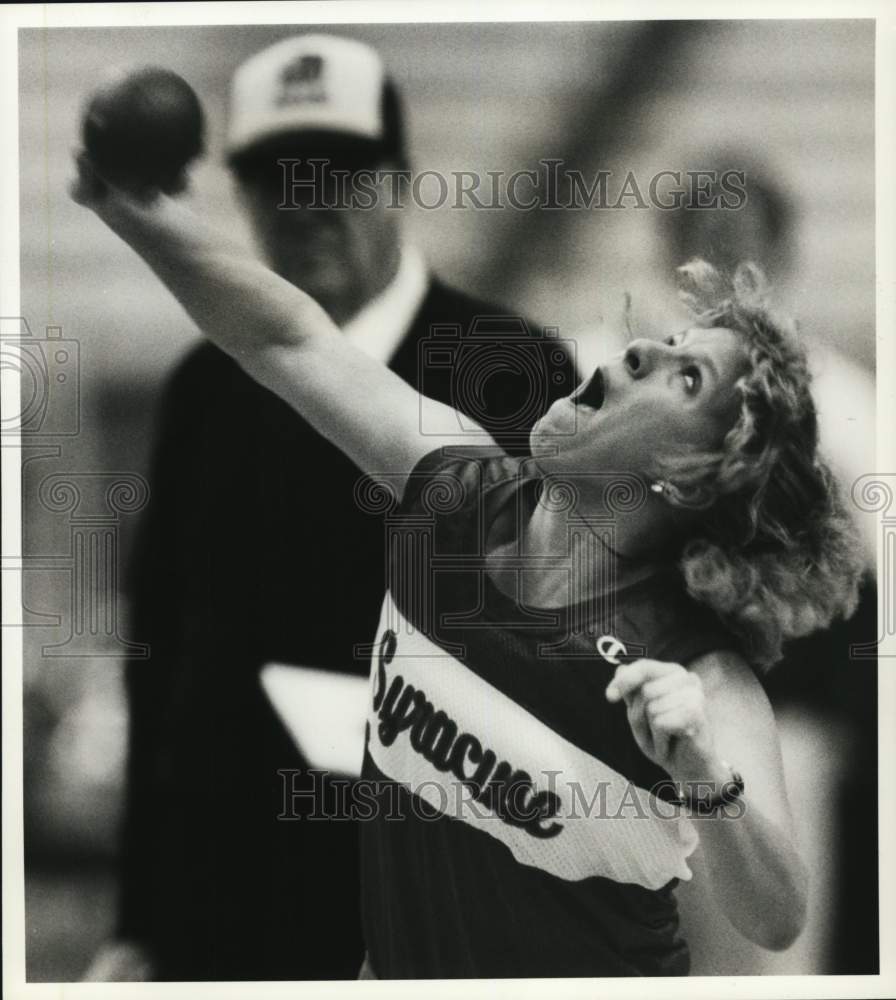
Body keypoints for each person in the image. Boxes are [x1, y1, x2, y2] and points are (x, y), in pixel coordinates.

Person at [72, 138, 864, 977]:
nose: (643, 351)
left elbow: (777, 916)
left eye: (687, 379)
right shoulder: (457, 490)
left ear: (693, 477)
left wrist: (704, 774)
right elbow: (287, 338)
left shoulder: (695, 675)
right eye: (670, 341)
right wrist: (142, 214)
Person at [91, 35, 577, 982]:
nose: (304, 201)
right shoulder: (203, 386)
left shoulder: (512, 371)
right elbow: (158, 657)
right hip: (219, 903)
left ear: (398, 179)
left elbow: (555, 658)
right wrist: (137, 918)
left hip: (421, 902)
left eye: (337, 172)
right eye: (275, 174)